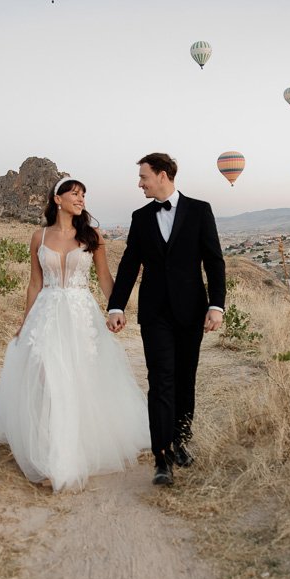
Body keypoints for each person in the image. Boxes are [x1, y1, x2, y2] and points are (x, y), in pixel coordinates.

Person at [0, 178, 150, 491]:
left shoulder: (92, 236)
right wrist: (25, 322)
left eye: (84, 195)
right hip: (46, 315)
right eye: (75, 194)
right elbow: (35, 284)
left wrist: (116, 309)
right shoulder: (39, 236)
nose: (81, 199)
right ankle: (52, 455)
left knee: (79, 379)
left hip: (80, 316)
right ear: (57, 199)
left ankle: (73, 451)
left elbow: (104, 277)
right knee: (47, 379)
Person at [107, 153, 226, 486]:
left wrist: (216, 305)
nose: (140, 183)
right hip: (155, 312)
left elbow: (214, 262)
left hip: (192, 311)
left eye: (143, 176)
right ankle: (162, 457)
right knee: (160, 380)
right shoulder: (140, 217)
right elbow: (130, 264)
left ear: (162, 175)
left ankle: (181, 441)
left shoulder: (200, 210)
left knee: (185, 379)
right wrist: (116, 306)